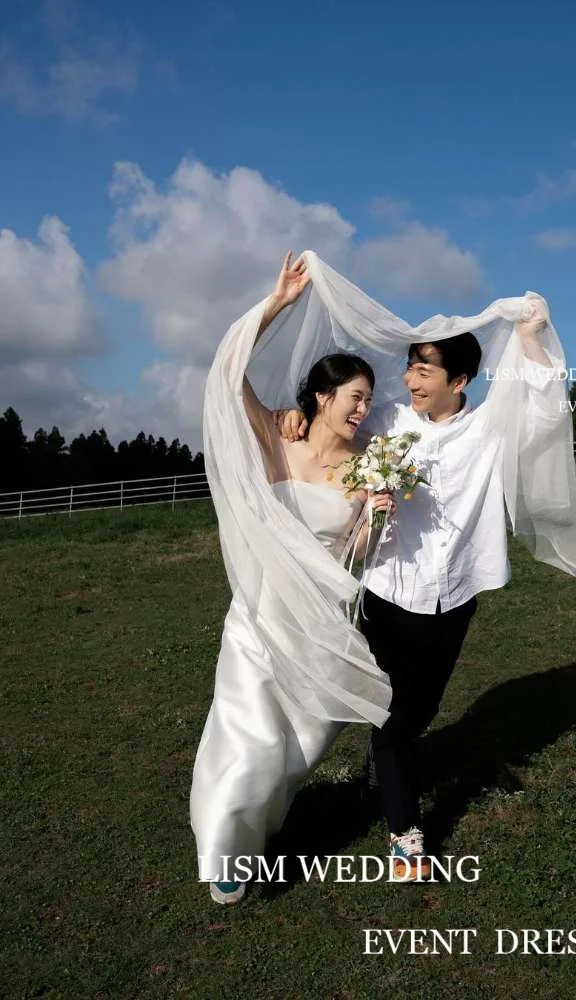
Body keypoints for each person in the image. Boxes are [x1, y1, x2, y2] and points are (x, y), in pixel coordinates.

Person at [276, 265, 576, 880]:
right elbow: (337, 422)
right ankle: (404, 833)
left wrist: (530, 339)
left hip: (457, 593)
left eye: (425, 369)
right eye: (411, 366)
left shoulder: (490, 426)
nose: (410, 377)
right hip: (389, 588)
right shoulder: (388, 419)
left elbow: (546, 411)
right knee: (392, 715)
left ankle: (381, 764)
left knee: (418, 712)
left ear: (460, 380)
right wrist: (296, 417)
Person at [191, 251, 394, 904]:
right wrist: (276, 304)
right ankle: (226, 854)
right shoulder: (279, 438)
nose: (365, 407)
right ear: (320, 397)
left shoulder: (370, 467)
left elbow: (359, 551)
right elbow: (227, 376)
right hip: (260, 617)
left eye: (369, 397)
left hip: (321, 625)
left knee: (300, 746)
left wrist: (380, 515)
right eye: (355, 396)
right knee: (247, 738)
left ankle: (259, 820)